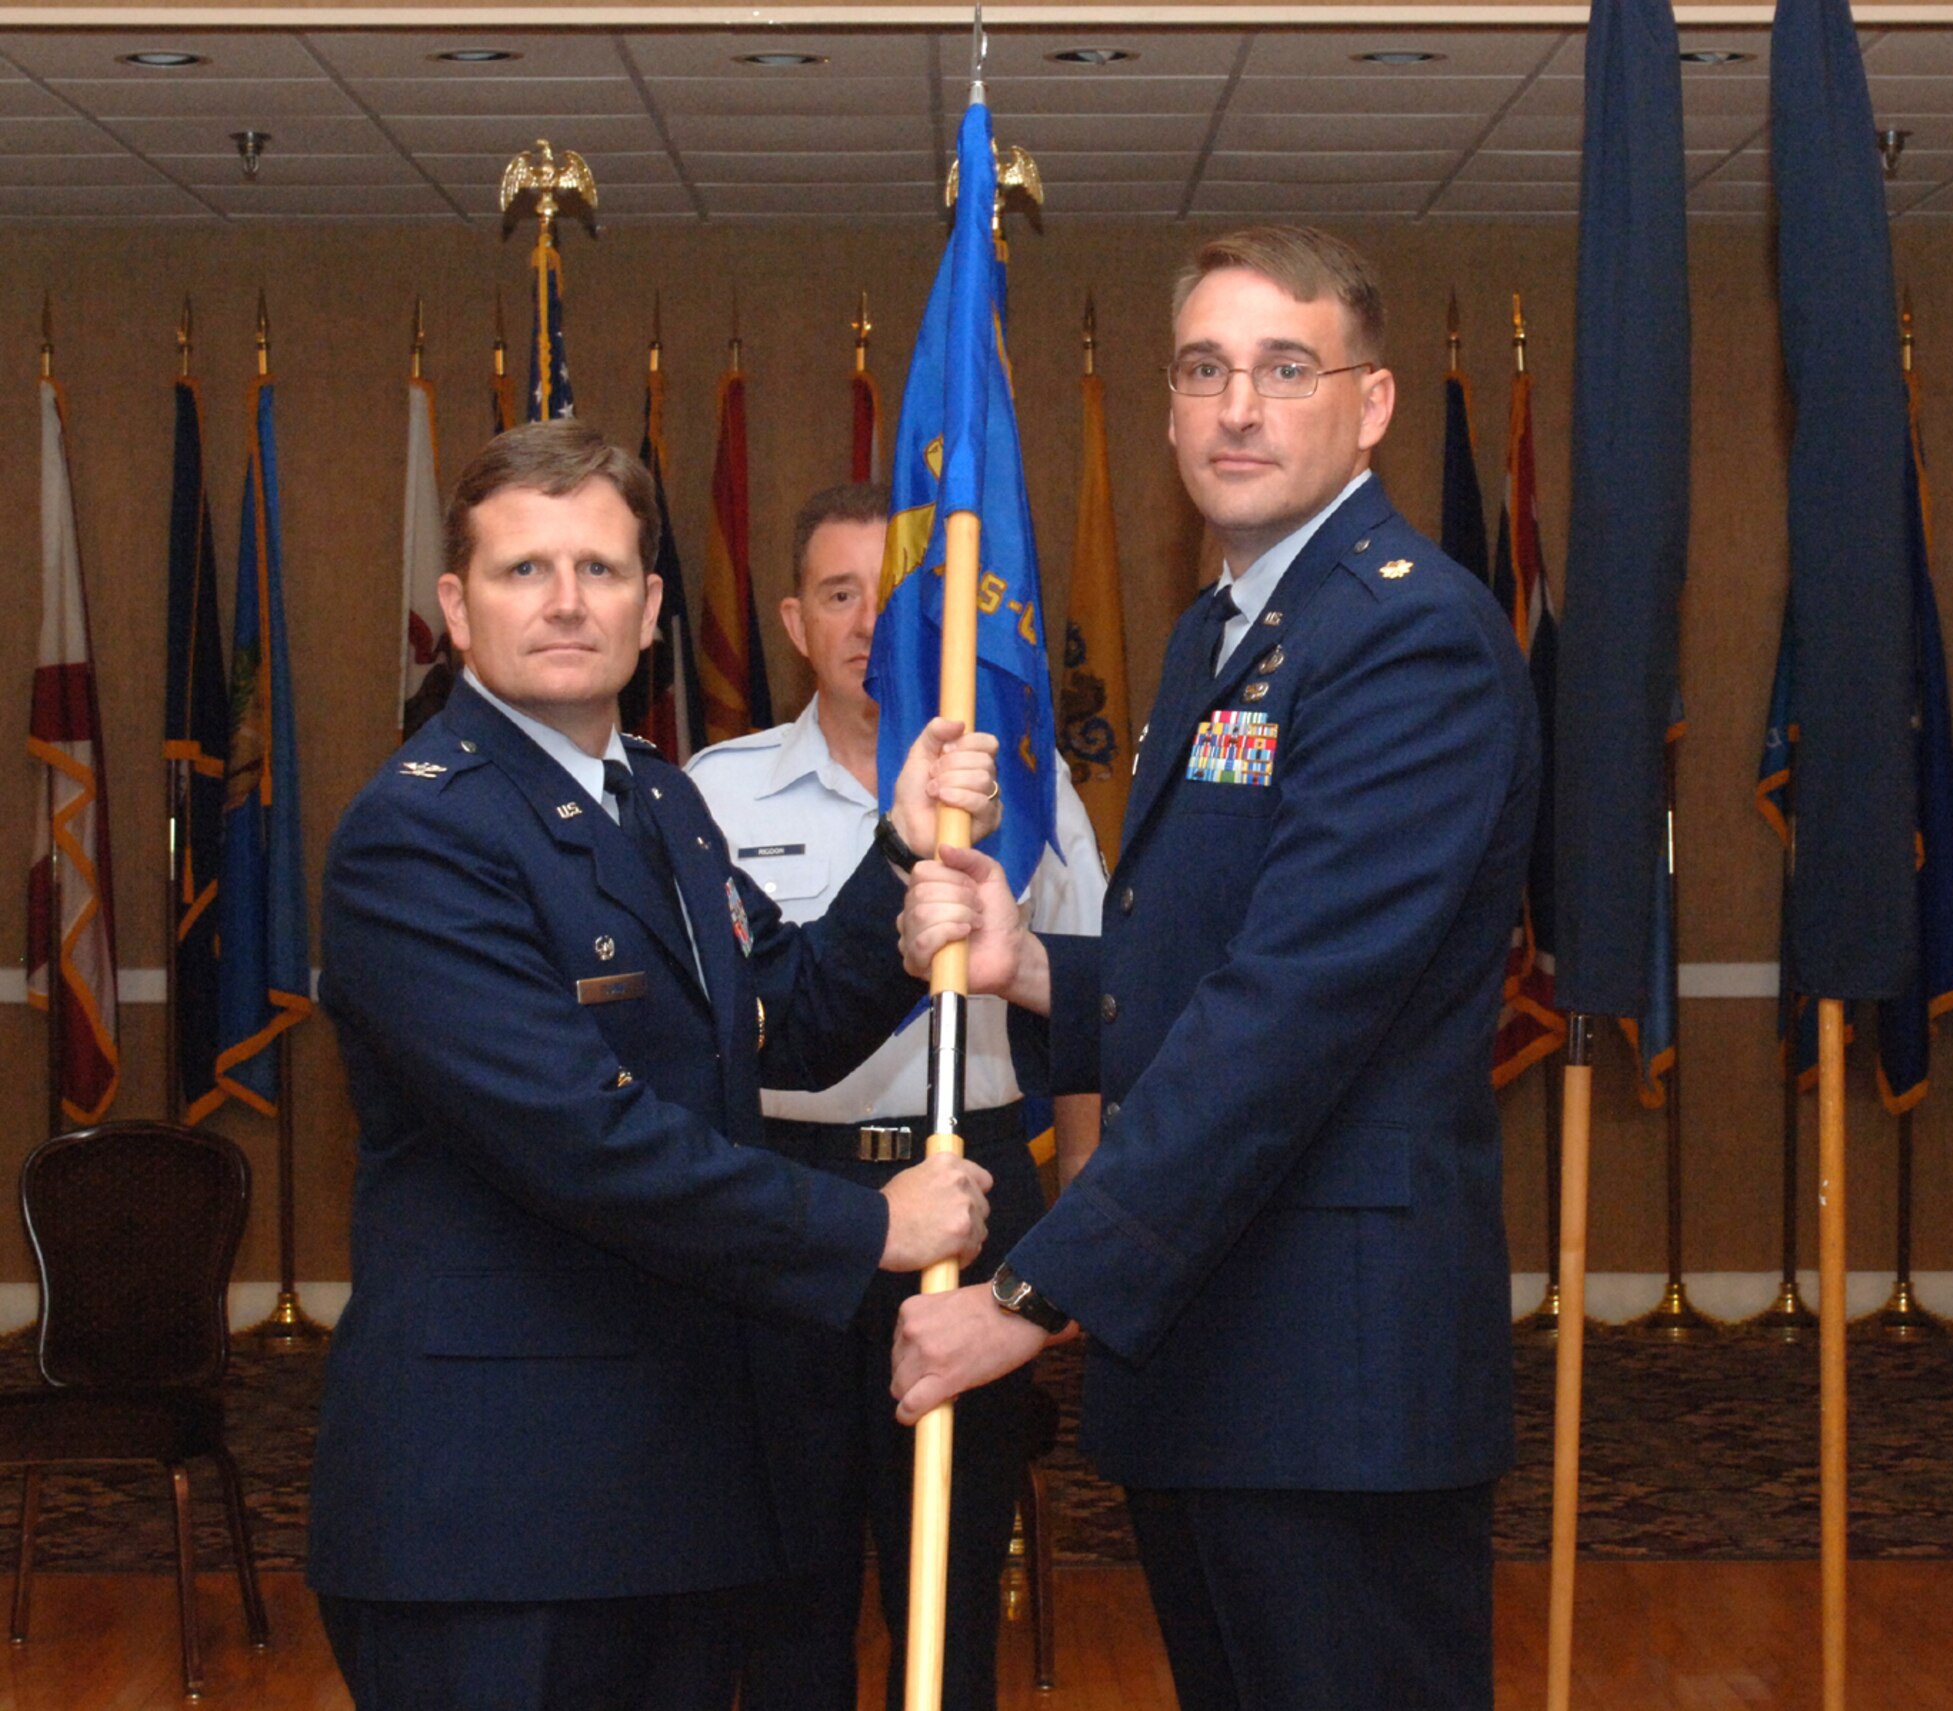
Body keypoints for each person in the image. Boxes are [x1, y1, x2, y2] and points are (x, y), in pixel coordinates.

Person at [890, 227, 1541, 1711]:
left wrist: (1030, 1292)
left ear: (1369, 404)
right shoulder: (1223, 631)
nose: (1238, 405)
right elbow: (1222, 951)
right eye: (1204, 369)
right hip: (1217, 1359)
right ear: (1170, 408)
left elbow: (1294, 1012)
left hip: (1333, 1371)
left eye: (1284, 367)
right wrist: (1034, 966)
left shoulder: (1404, 637)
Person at [308, 421, 1002, 1711]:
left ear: (649, 610)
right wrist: (866, 1224)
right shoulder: (418, 833)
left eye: (602, 570)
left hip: (668, 1488)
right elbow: (582, 1137)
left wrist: (903, 860)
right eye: (524, 571)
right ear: (456, 609)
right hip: (497, 1516)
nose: (566, 600)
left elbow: (778, 1015)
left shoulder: (659, 800)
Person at [685, 482, 1105, 1711]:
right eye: (838, 594)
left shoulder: (1027, 794)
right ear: (791, 620)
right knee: (784, 1579)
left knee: (951, 1572)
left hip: (976, 1196)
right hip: (781, 1199)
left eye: (900, 594)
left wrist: (1079, 1199)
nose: (871, 620)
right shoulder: (715, 792)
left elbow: (1082, 1007)